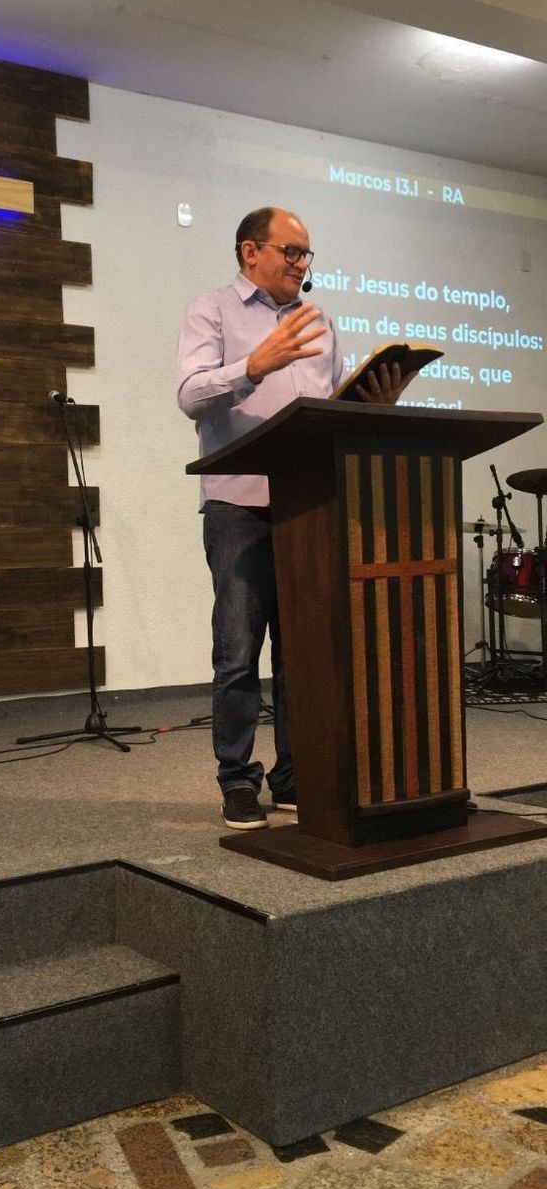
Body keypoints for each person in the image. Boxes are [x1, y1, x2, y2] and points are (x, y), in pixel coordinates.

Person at [177, 206, 408, 831]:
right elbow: (190, 395)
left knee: (304, 650)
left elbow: (325, 411)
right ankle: (237, 779)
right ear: (251, 251)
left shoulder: (320, 322)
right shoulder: (213, 309)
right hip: (238, 504)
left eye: (308, 255)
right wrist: (255, 364)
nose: (302, 265)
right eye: (292, 252)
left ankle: (291, 775)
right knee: (238, 650)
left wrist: (371, 406)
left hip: (310, 505)